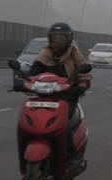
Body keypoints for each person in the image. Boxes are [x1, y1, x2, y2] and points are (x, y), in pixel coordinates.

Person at [23, 22, 91, 163]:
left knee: (64, 125)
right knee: (27, 122)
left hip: (67, 97)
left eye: (62, 38)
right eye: (55, 38)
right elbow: (32, 74)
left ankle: (71, 155)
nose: (58, 42)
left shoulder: (74, 54)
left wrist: (82, 85)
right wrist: (23, 83)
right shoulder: (44, 54)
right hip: (44, 96)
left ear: (68, 39)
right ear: (50, 39)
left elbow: (84, 73)